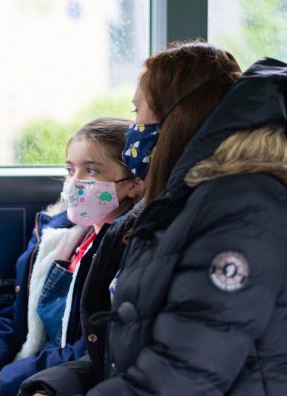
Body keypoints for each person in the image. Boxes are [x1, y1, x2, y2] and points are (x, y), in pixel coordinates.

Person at [20, 42, 287, 395]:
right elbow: (126, 345)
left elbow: (184, 372)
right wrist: (51, 386)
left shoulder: (241, 211)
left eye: (137, 112)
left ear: (176, 116)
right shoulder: (171, 204)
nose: (133, 132)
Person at [0, 117, 144, 396]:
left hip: (56, 381)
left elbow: (95, 350)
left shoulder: (129, 249)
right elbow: (15, 320)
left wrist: (5, 381)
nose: (74, 183)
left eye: (91, 171)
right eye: (70, 170)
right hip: (22, 369)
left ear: (134, 183)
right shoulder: (58, 237)